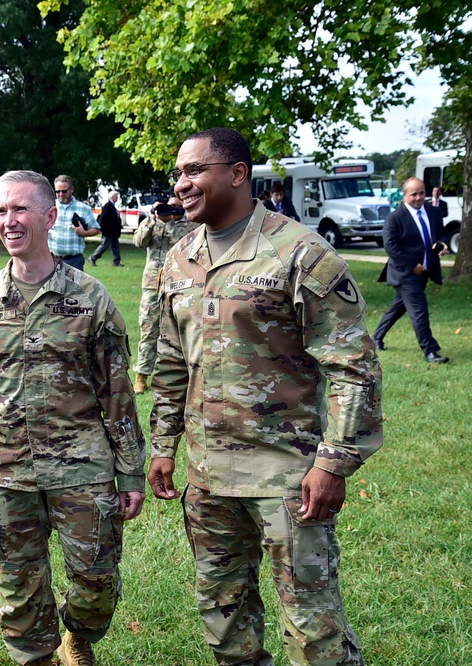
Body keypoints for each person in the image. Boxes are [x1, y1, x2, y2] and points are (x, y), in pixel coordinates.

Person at [149, 128, 383, 666]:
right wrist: (164, 446)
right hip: (208, 477)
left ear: (237, 173)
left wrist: (333, 463)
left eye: (194, 170)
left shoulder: (300, 252)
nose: (181, 183)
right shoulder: (180, 258)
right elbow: (169, 360)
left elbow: (354, 367)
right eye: (178, 173)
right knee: (224, 619)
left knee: (313, 627)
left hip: (287, 476)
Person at [0, 170, 146, 666]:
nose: (8, 221)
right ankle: (34, 658)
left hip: (83, 468)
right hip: (5, 471)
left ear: (50, 215)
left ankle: (77, 637)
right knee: (19, 587)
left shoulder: (90, 298)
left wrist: (130, 470)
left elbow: (116, 392)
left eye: (19, 209)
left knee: (97, 582)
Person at [372, 177, 450, 363]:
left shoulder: (433, 212)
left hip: (425, 271)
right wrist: (412, 266)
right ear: (405, 195)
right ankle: (430, 351)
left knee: (399, 307)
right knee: (419, 310)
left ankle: (375, 338)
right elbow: (391, 247)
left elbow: (440, 233)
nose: (418, 197)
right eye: (413, 194)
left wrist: (443, 244)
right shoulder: (395, 218)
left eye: (421, 193)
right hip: (404, 272)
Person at [130, 196, 198, 394]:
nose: (173, 210)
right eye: (170, 206)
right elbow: (139, 242)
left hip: (180, 283)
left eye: (177, 206)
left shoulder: (191, 225)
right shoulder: (152, 221)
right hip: (153, 283)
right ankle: (141, 375)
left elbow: (182, 245)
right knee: (148, 328)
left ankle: (182, 376)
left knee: (181, 331)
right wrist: (153, 218)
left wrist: (169, 224)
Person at [49, 174, 100, 271]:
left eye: (64, 191)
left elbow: (96, 229)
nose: (60, 194)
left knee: (74, 286)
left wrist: (84, 233)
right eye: (57, 191)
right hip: (52, 259)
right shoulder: (49, 208)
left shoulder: (83, 208)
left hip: (74, 261)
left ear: (71, 189)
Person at [89, 190, 123, 267]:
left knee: (115, 246)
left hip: (113, 231)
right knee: (104, 245)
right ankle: (93, 257)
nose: (117, 198)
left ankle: (116, 262)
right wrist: (101, 228)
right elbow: (103, 218)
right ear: (113, 197)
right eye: (116, 196)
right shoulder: (108, 206)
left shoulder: (112, 205)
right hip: (108, 230)